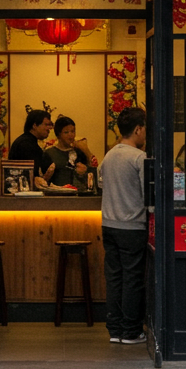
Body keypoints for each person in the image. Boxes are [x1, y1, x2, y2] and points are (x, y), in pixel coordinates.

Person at [100, 106, 149, 345]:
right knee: (132, 278)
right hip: (132, 225)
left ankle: (115, 329)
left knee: (115, 277)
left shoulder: (109, 156)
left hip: (108, 224)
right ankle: (131, 330)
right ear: (138, 129)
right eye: (145, 129)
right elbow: (148, 195)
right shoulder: (138, 158)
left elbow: (100, 183)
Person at [45, 115, 92, 189]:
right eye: (66, 132)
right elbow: (44, 180)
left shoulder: (79, 152)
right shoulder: (49, 153)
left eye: (73, 131)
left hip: (78, 194)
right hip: (56, 194)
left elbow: (91, 174)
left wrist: (84, 171)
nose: (70, 135)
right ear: (58, 134)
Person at [8, 109, 53, 174]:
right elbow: (30, 174)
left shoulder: (28, 141)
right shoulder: (26, 144)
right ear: (34, 125)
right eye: (46, 125)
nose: (50, 128)